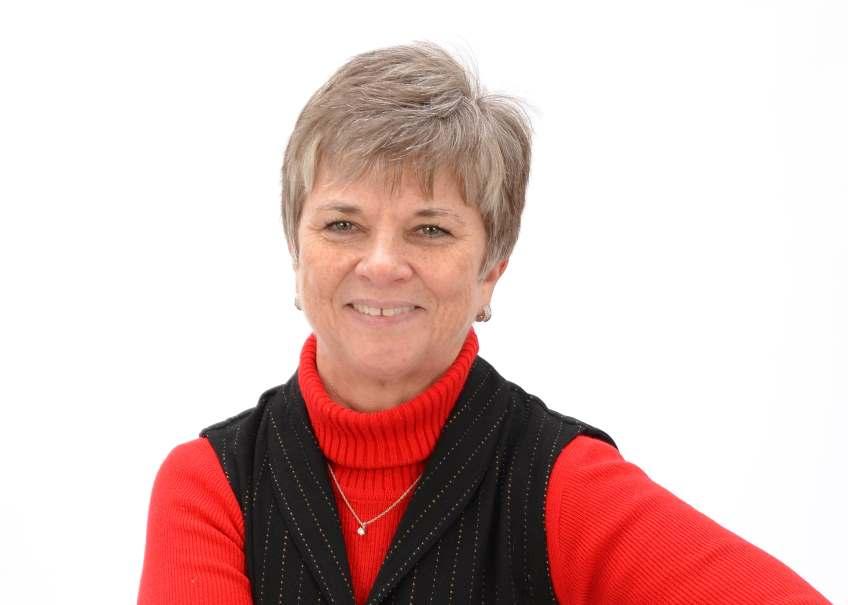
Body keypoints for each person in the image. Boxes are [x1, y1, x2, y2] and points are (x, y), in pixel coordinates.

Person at [137, 42, 830, 604]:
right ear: (296, 246)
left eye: (430, 230)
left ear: (491, 267)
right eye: (343, 224)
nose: (382, 264)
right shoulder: (212, 486)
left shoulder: (563, 483)